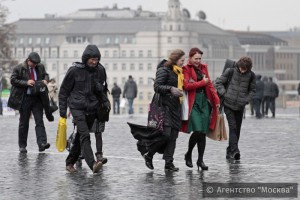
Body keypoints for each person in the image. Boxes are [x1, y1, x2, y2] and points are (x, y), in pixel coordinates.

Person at [59, 44, 110, 173]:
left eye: (96, 59)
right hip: (77, 107)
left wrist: (105, 102)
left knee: (79, 138)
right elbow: (63, 91)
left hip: (92, 108)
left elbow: (100, 90)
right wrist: (62, 111)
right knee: (85, 135)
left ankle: (69, 162)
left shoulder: (100, 70)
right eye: (92, 59)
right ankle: (92, 164)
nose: (94, 62)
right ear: (86, 58)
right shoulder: (74, 70)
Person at [142, 49, 185, 171]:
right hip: (162, 106)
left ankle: (169, 163)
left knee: (173, 136)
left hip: (175, 106)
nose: (183, 62)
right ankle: (149, 154)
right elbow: (157, 86)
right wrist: (170, 89)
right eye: (182, 60)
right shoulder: (164, 70)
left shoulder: (180, 73)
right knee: (165, 134)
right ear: (176, 59)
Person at [181, 48, 220, 170]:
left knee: (203, 131)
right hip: (194, 101)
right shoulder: (186, 69)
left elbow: (210, 85)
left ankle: (200, 160)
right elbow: (186, 86)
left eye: (199, 58)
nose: (198, 61)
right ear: (190, 58)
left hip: (204, 101)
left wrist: (216, 100)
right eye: (196, 58)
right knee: (197, 130)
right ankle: (188, 154)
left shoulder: (204, 67)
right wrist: (202, 82)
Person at [8, 52, 51, 153]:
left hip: (37, 98)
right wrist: (26, 83)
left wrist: (45, 80)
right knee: (24, 123)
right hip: (25, 98)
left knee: (39, 121)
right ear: (28, 60)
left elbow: (46, 75)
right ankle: (22, 145)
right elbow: (13, 80)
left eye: (37, 64)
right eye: (33, 63)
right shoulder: (19, 68)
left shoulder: (40, 67)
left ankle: (42, 144)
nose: (35, 65)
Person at [215, 56, 256, 160]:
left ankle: (230, 151)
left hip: (240, 106)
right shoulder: (230, 71)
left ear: (248, 68)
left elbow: (252, 90)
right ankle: (235, 151)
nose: (242, 70)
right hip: (228, 104)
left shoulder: (251, 75)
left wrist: (246, 100)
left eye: (245, 69)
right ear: (239, 65)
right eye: (241, 68)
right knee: (232, 127)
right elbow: (218, 83)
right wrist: (224, 94)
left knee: (237, 129)